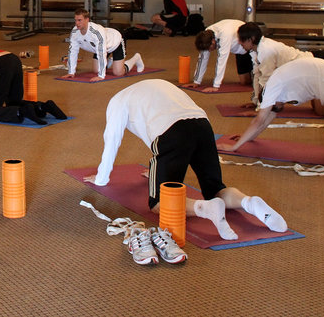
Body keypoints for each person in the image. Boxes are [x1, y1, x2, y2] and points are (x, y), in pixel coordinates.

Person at [83, 79, 289, 264]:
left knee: (159, 204)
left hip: (171, 133)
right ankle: (249, 203)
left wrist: (101, 178)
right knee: (216, 188)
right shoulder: (152, 87)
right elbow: (158, 134)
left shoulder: (116, 102)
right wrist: (157, 170)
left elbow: (112, 141)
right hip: (203, 126)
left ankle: (205, 209)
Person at [236, 22, 324, 114]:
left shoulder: (266, 51)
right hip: (309, 66)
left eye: (242, 40)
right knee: (317, 108)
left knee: (322, 111)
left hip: (319, 62)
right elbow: (257, 76)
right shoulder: (255, 50)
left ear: (251, 39)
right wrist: (255, 101)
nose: (239, 43)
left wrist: (260, 109)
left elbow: (266, 80)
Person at [61, 8, 144, 83]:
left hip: (116, 41)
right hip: (100, 46)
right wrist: (71, 72)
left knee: (118, 73)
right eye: (75, 20)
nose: (77, 23)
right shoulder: (75, 32)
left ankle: (136, 58)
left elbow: (101, 53)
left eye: (80, 20)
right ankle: (109, 61)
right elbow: (73, 51)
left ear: (87, 20)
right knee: (95, 70)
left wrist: (101, 76)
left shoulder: (96, 33)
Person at [182, 19, 252, 92]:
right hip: (239, 50)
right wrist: (196, 81)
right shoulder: (206, 34)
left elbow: (222, 60)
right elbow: (202, 58)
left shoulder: (225, 35)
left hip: (249, 46)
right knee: (245, 82)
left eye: (209, 49)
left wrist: (216, 86)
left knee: (256, 80)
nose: (209, 51)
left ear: (213, 41)